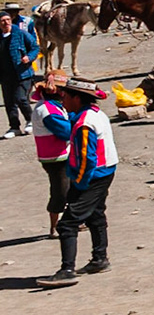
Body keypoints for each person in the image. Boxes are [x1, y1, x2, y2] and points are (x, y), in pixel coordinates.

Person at [37, 77, 119, 286]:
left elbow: (87, 158)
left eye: (65, 96)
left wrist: (79, 185)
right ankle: (99, 258)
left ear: (76, 98)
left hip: (93, 176)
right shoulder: (93, 114)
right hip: (106, 170)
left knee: (68, 223)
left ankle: (67, 270)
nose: (62, 100)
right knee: (95, 215)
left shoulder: (84, 123)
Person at [30, 72, 74, 238]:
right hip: (55, 157)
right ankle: (55, 227)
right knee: (60, 191)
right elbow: (65, 131)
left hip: (59, 154)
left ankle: (69, 221)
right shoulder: (48, 110)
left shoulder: (51, 106)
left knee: (69, 188)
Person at [0, 8, 38, 137]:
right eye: (2, 21)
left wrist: (29, 57)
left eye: (8, 20)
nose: (6, 23)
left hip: (23, 73)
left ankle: (30, 120)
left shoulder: (20, 33)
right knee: (9, 102)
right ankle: (14, 127)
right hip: (5, 75)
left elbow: (34, 47)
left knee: (20, 98)